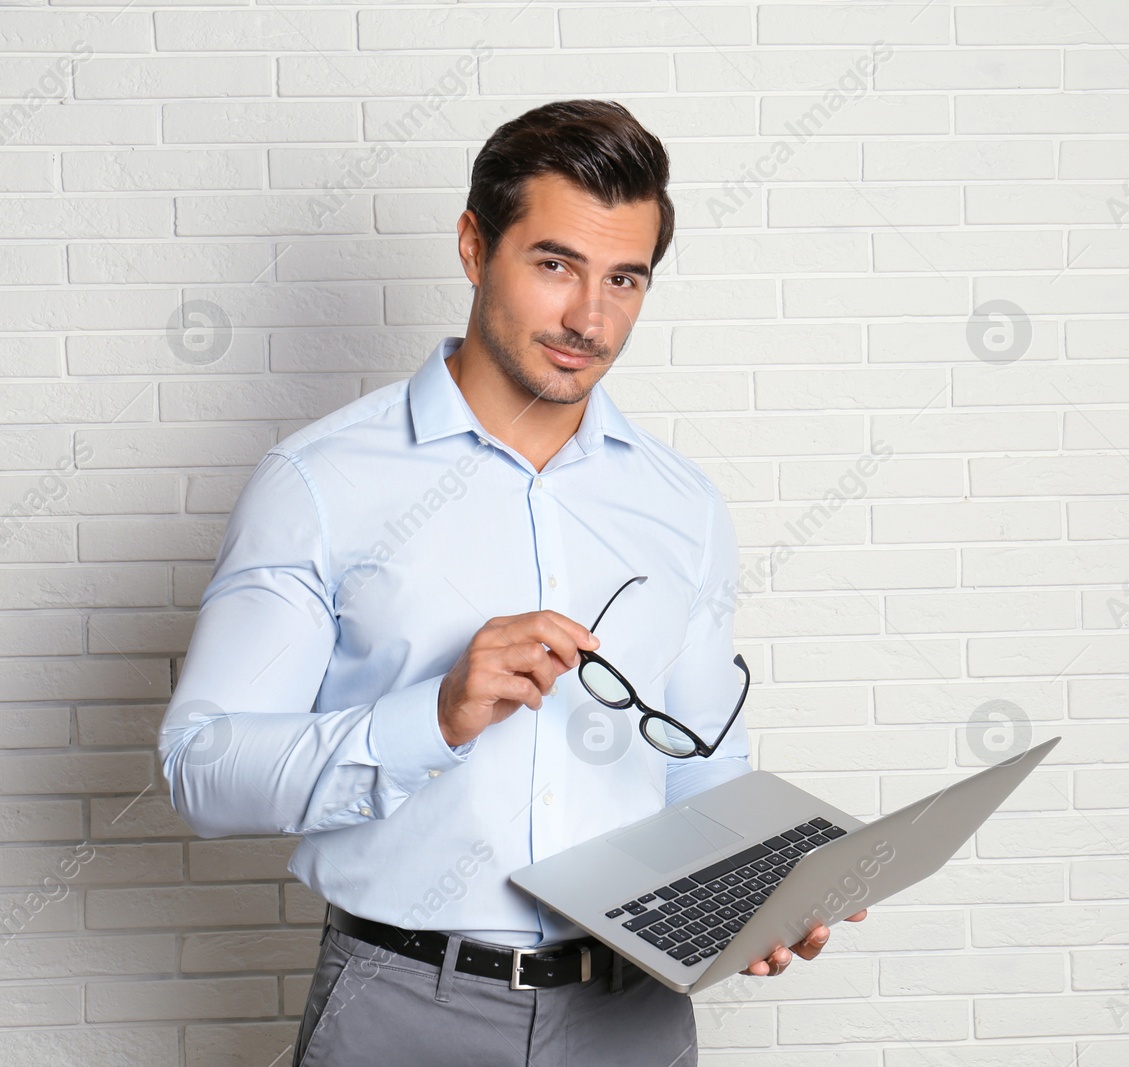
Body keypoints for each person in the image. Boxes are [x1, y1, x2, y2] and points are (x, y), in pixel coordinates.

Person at [158, 99, 864, 1067]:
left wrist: (755, 893)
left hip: (633, 1016)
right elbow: (202, 769)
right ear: (472, 245)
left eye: (625, 279)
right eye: (555, 264)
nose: (590, 317)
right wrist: (432, 715)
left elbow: (704, 769)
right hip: (403, 1008)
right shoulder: (319, 483)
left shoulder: (680, 504)